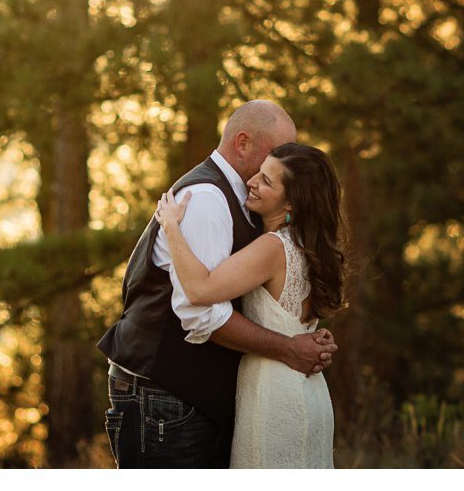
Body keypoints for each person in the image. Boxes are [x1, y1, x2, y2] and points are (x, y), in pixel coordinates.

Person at [96, 100, 337, 468]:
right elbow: (201, 312)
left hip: (212, 399)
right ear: (243, 143)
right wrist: (289, 346)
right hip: (165, 396)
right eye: (276, 153)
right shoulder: (207, 199)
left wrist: (297, 341)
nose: (284, 163)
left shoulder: (262, 219)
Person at [155, 142, 345, 468]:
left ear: (292, 203)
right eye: (259, 172)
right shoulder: (309, 246)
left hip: (274, 394)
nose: (252, 181)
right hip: (309, 392)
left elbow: (200, 290)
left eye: (267, 181)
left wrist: (172, 228)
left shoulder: (273, 248)